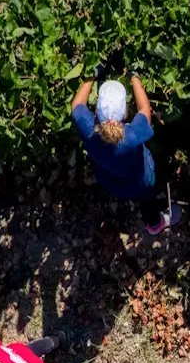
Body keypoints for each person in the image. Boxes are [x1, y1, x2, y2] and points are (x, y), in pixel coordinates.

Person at [70, 50, 180, 235]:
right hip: (142, 182)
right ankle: (155, 224)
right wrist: (134, 76)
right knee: (148, 200)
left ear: (96, 107)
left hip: (113, 183)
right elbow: (145, 109)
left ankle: (152, 221)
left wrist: (93, 75)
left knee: (134, 193)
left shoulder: (89, 130)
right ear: (125, 112)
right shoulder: (132, 135)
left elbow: (77, 106)